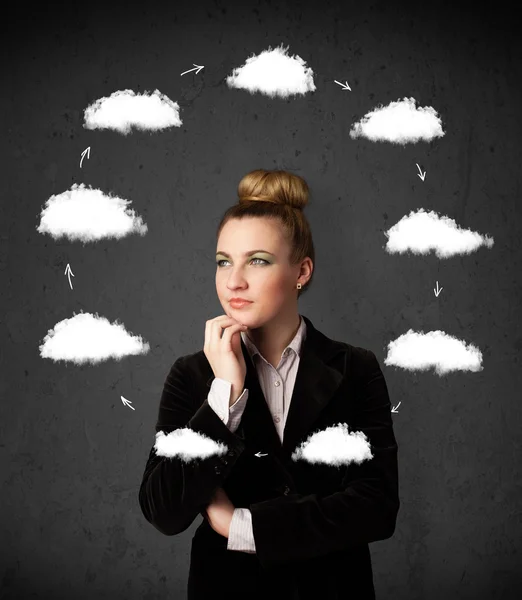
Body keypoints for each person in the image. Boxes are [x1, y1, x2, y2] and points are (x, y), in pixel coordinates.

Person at [138, 169, 400, 599]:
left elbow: (377, 507)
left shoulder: (355, 369)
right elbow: (164, 510)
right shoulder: (192, 375)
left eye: (257, 260)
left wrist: (239, 525)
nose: (234, 281)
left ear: (302, 271)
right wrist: (224, 397)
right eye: (224, 261)